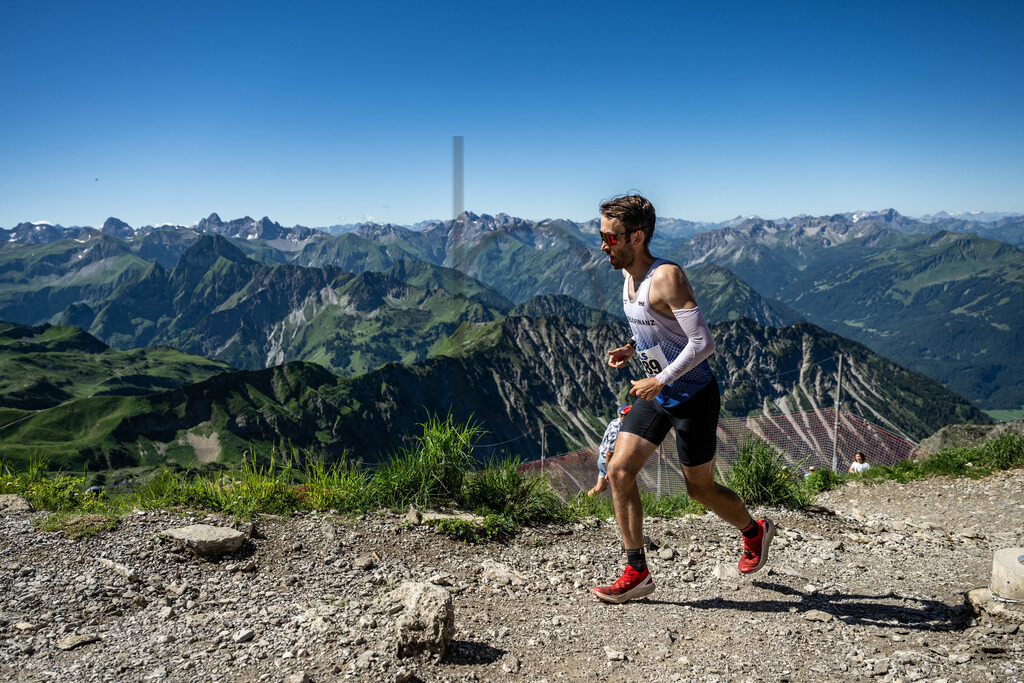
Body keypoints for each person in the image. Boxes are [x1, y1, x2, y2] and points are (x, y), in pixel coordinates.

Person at [592, 193, 775, 604]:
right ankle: (636, 570)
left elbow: (702, 342)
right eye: (602, 235)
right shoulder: (628, 277)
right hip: (659, 394)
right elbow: (659, 331)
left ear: (637, 237)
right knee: (620, 471)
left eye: (611, 236)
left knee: (700, 489)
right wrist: (631, 349)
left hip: (692, 396)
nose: (604, 244)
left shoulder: (666, 277)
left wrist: (661, 381)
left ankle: (754, 531)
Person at [588, 404, 631, 496]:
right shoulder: (617, 430)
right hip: (608, 461)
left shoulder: (614, 422)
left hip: (602, 459)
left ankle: (581, 503)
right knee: (622, 488)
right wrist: (609, 470)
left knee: (600, 488)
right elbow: (609, 453)